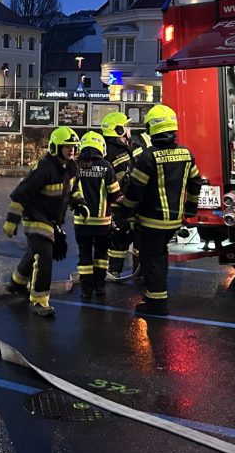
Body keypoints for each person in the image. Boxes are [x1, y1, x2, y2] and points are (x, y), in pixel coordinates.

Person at [115, 104, 202, 317]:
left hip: (151, 220)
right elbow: (195, 182)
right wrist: (190, 209)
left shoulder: (148, 157)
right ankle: (156, 297)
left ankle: (156, 303)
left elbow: (135, 190)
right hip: (174, 220)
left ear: (152, 129)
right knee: (160, 256)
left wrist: (125, 212)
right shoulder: (186, 154)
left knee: (152, 259)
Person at [2, 126, 79, 318]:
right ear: (55, 148)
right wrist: (12, 220)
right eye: (67, 146)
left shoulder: (71, 167)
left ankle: (17, 282)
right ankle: (39, 301)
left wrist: (80, 203)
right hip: (35, 216)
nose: (71, 150)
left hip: (52, 220)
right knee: (44, 255)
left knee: (35, 252)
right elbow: (22, 193)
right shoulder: (44, 168)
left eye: (73, 147)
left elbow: (73, 190)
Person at [70, 131, 122, 299]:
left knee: (84, 254)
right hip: (102, 222)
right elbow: (115, 194)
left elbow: (68, 192)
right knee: (101, 255)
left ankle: (86, 289)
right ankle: (100, 287)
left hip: (82, 222)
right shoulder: (106, 166)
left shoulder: (75, 166)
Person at [101, 111, 138, 279]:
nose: (129, 129)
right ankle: (115, 270)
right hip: (118, 202)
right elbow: (119, 178)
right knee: (119, 236)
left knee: (130, 235)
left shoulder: (127, 146)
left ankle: (133, 270)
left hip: (128, 201)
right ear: (118, 130)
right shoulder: (112, 152)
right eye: (126, 126)